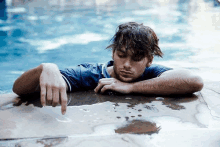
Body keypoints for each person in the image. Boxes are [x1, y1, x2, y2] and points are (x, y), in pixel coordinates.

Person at [12, 22, 204, 115]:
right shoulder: (92, 74)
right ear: (113, 54)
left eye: (136, 58)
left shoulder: (151, 74)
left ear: (149, 60)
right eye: (121, 55)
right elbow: (18, 89)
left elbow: (194, 81)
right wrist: (45, 68)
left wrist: (130, 87)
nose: (127, 65)